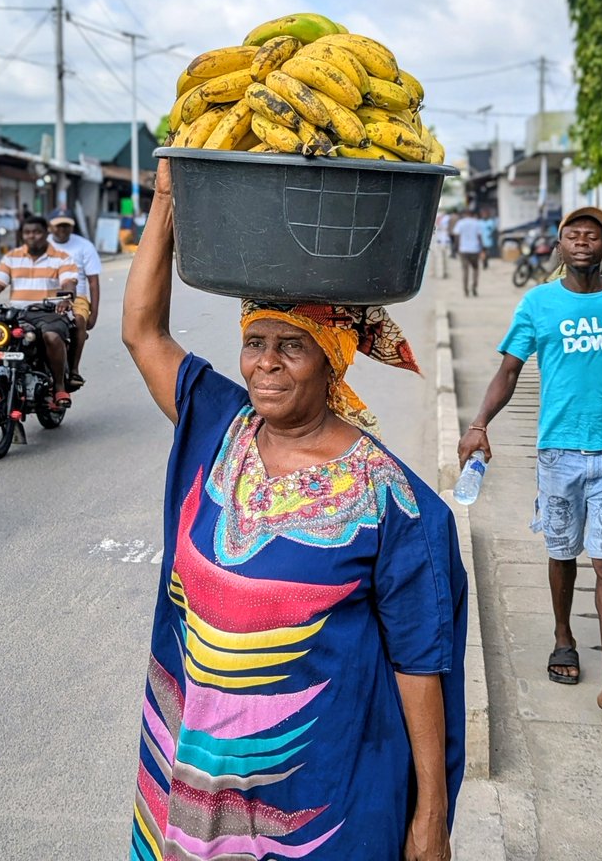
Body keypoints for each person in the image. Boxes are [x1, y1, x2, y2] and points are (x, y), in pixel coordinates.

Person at [122, 159, 467, 861]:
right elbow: (142, 334)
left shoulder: (393, 502)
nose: (266, 364)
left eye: (291, 347)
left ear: (332, 361)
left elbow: (421, 667)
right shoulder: (219, 426)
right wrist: (164, 201)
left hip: (319, 808)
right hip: (194, 787)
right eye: (255, 342)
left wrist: (431, 816)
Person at [457, 206, 602, 736]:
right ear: (560, 246)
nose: (582, 242)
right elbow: (509, 370)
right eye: (573, 235)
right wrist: (479, 424)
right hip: (558, 453)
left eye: (591, 236)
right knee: (562, 552)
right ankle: (563, 636)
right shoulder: (538, 303)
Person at [0, 215, 77, 409]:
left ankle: (59, 387)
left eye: (37, 232)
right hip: (18, 314)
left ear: (46, 233)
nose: (32, 236)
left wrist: (66, 298)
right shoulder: (12, 257)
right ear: (22, 235)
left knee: (52, 337)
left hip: (49, 313)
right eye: (27, 232)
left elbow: (69, 282)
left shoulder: (62, 257)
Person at [47, 211, 100, 391]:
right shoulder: (41, 244)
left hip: (78, 297)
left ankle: (74, 370)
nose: (62, 229)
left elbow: (93, 282)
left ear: (72, 227)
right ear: (50, 227)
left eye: (66, 225)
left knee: (78, 320)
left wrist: (93, 314)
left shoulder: (84, 246)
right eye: (58, 225)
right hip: (45, 297)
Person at [452, 207, 484, 297]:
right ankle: (474, 287)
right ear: (472, 214)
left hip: (463, 250)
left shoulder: (460, 223)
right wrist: (482, 248)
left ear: (465, 214)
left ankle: (465, 290)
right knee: (475, 269)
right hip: (474, 249)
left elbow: (457, 236)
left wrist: (456, 248)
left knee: (465, 271)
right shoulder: (476, 223)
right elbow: (479, 237)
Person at [431, 209, 452, 280]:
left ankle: (443, 273)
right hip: (440, 241)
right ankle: (441, 274)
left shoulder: (446, 219)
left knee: (442, 259)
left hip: (443, 241)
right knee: (440, 259)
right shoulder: (443, 220)